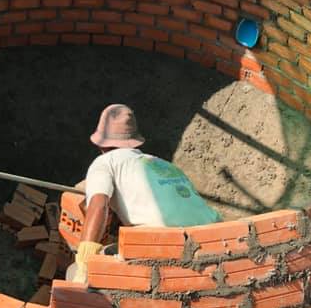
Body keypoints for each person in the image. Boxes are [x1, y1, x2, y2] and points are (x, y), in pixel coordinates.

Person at [68, 104, 221, 282]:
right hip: (214, 240)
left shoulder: (104, 162)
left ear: (101, 144)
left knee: (75, 273)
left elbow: (99, 205)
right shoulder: (164, 164)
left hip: (164, 245)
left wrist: (84, 260)